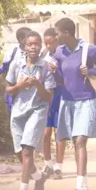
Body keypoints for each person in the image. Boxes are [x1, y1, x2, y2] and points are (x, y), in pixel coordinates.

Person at [53, 18, 96, 190]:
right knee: (74, 139)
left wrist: (91, 71)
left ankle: (81, 184)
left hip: (86, 100)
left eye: (57, 33)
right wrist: (54, 71)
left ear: (66, 33)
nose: (55, 36)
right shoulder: (59, 52)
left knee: (80, 140)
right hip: (68, 101)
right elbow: (60, 80)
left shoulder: (90, 50)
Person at [6, 31, 56, 190]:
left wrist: (37, 84)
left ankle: (24, 186)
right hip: (18, 111)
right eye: (30, 44)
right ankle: (39, 177)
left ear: (41, 46)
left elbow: (49, 97)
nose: (33, 47)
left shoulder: (46, 67)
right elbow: (8, 89)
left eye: (36, 44)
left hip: (37, 110)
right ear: (24, 46)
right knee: (19, 152)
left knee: (28, 150)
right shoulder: (16, 64)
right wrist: (19, 86)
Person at [40, 28, 67, 179]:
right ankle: (47, 163)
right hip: (47, 95)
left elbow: (70, 77)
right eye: (46, 43)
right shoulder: (43, 54)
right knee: (45, 132)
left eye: (51, 42)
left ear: (57, 40)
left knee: (59, 132)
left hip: (61, 95)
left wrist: (58, 70)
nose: (48, 45)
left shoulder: (64, 54)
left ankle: (58, 166)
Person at [0, 27, 32, 117]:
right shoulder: (12, 53)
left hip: (30, 94)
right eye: (29, 36)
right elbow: (5, 72)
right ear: (21, 39)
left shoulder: (34, 52)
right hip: (14, 93)